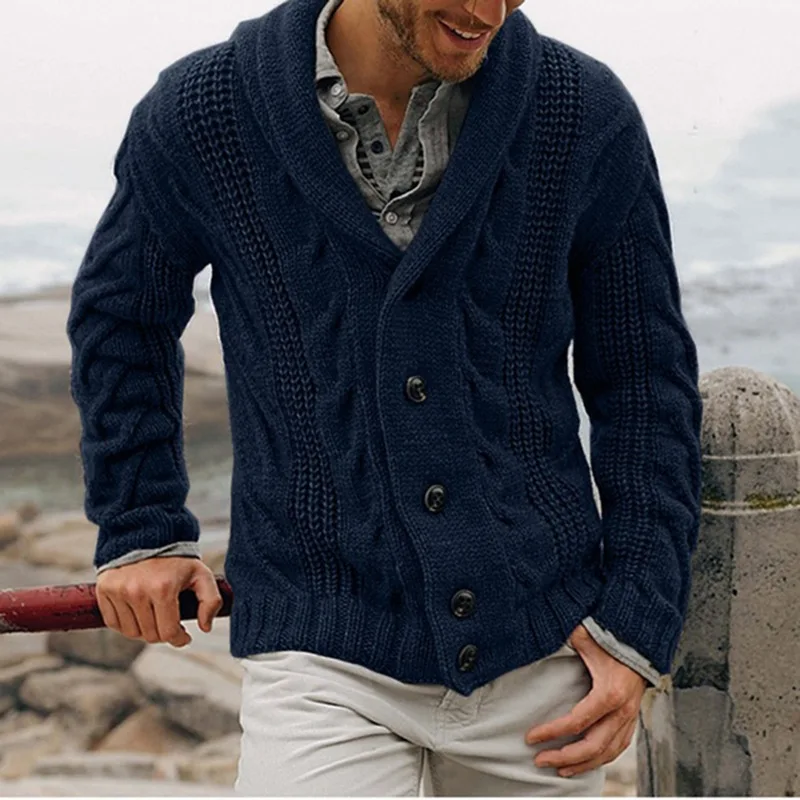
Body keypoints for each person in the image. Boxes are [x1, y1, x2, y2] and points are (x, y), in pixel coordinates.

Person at [65, 0, 703, 794]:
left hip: (545, 656)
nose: (488, 11)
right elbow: (122, 319)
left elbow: (645, 376)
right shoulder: (205, 110)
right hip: (320, 650)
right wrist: (144, 527)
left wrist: (637, 621)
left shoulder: (582, 110)